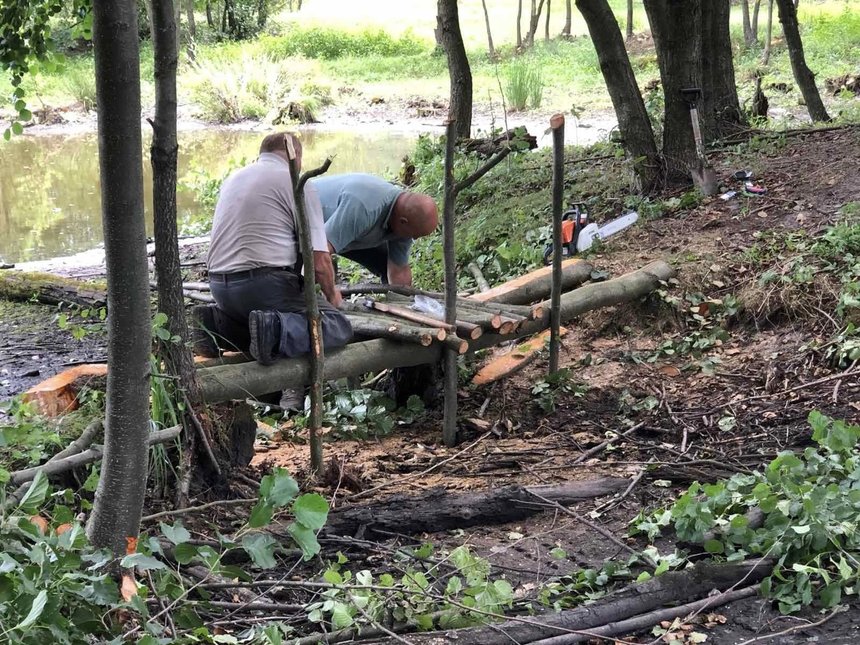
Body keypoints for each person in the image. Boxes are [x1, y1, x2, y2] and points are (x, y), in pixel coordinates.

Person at [206, 132, 352, 377]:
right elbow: (319, 260)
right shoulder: (296, 182)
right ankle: (274, 329)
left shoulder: (234, 178)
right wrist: (334, 298)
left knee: (254, 324)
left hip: (219, 287)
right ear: (296, 157)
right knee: (337, 326)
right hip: (262, 286)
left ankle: (220, 326)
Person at [312, 173, 438, 286]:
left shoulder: (404, 219)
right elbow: (318, 251)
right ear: (403, 221)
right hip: (304, 224)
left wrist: (406, 302)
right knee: (317, 273)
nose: (414, 238)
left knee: (385, 261)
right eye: (415, 235)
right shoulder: (364, 209)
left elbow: (399, 270)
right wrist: (331, 294)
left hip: (344, 232)